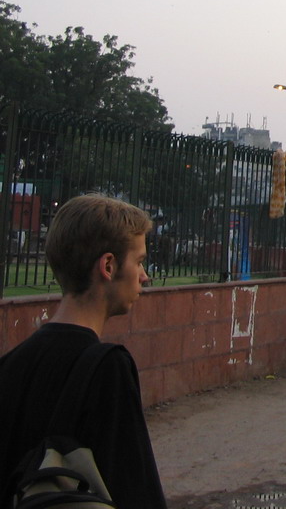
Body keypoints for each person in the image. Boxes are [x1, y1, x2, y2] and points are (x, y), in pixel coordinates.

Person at [0, 194, 167, 508]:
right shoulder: (107, 369)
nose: (145, 276)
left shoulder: (10, 364)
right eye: (140, 261)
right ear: (108, 265)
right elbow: (135, 489)